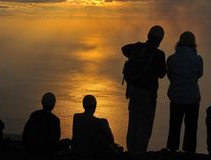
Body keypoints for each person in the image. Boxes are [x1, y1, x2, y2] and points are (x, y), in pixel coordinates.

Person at [121, 25, 166, 159]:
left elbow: (124, 49)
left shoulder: (136, 47)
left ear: (148, 35)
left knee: (133, 121)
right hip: (148, 94)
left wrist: (135, 58)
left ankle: (131, 150)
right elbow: (162, 74)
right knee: (144, 125)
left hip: (133, 91)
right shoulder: (159, 54)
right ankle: (139, 153)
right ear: (160, 40)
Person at [166, 31, 203, 155]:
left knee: (174, 125)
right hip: (192, 98)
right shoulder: (197, 59)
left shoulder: (171, 59)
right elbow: (199, 74)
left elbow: (170, 75)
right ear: (193, 44)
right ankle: (189, 151)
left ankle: (172, 149)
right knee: (191, 127)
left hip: (176, 97)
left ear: (179, 42)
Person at [72, 95, 122, 160]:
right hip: (91, 154)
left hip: (77, 151)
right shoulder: (100, 122)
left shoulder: (76, 117)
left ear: (83, 106)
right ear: (95, 106)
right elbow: (111, 141)